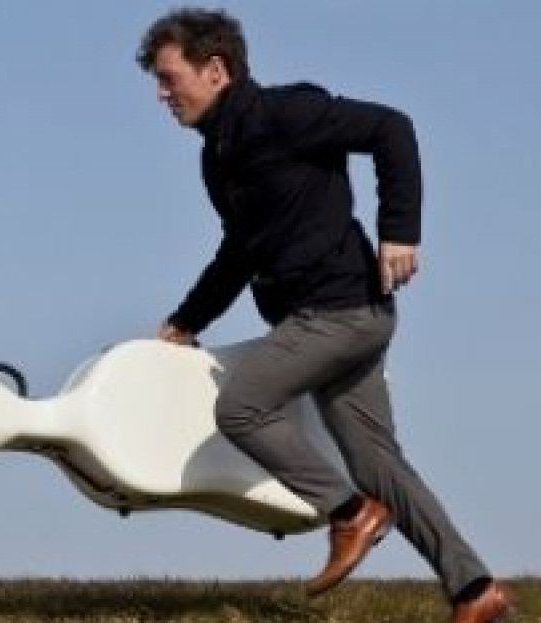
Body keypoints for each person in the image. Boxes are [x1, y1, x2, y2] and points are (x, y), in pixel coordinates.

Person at [136, 8, 510, 622]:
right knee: (377, 464)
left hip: (339, 312)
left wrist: (399, 232)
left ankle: (348, 514)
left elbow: (392, 129)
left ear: (216, 69)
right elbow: (240, 248)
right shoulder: (217, 156)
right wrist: (186, 321)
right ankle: (476, 592)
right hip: (332, 321)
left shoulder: (288, 114)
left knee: (240, 407)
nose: (162, 94)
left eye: (169, 78)